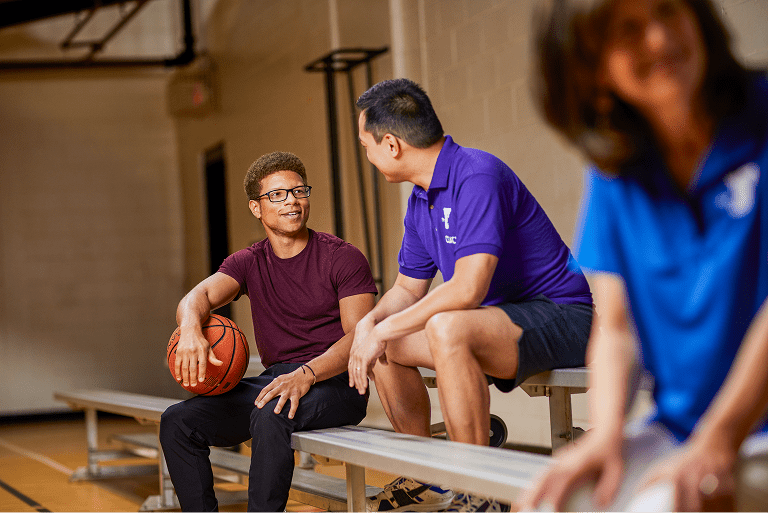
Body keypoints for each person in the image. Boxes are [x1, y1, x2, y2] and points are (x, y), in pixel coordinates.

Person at [520, 0, 768, 511]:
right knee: (558, 501)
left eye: (667, 11)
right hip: (682, 426)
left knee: (664, 504)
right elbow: (618, 327)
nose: (658, 38)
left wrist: (719, 440)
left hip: (750, 426)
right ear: (591, 67)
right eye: (628, 31)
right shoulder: (617, 168)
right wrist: (605, 432)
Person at [348, 78, 594, 513]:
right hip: (499, 321)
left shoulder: (477, 173)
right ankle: (430, 476)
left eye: (365, 144)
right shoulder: (420, 200)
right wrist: (369, 326)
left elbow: (468, 287)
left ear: (391, 145)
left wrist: (382, 326)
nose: (365, 154)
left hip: (565, 317)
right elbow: (407, 288)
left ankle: (478, 489)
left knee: (445, 325)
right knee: (385, 343)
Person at [159, 151, 378, 512]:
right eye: (277, 194)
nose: (291, 201)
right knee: (178, 421)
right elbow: (196, 297)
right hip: (276, 381)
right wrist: (190, 329)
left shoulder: (342, 257)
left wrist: (307, 374)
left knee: (271, 411)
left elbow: (360, 336)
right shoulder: (248, 261)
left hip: (337, 385)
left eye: (299, 191)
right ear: (256, 208)